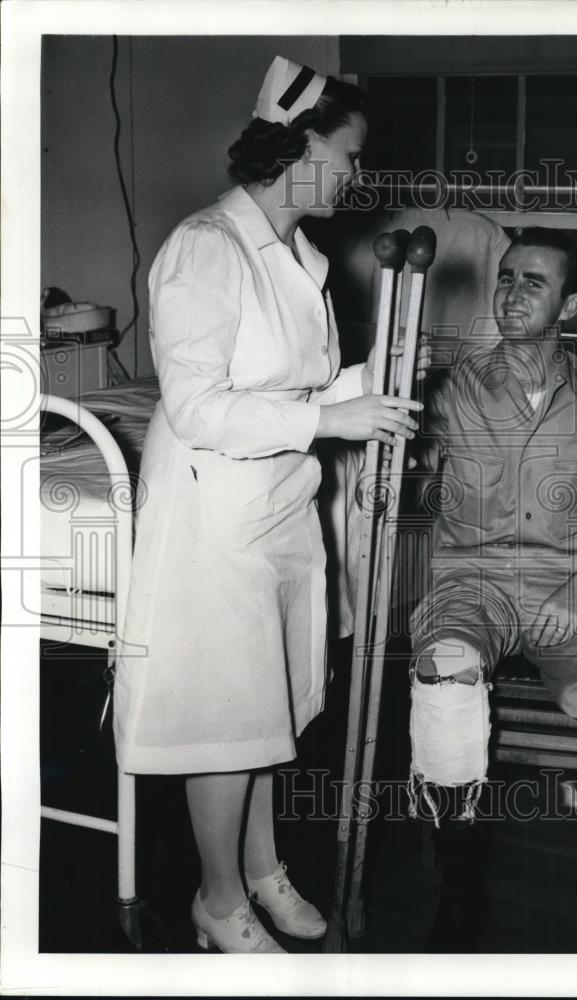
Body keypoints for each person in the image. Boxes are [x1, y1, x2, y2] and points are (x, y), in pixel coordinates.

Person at [113, 56, 424, 954]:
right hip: (215, 511)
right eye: (353, 153)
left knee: (269, 713)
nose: (361, 174)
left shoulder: (302, 256)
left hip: (282, 502)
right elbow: (200, 406)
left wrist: (379, 383)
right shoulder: (205, 248)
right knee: (225, 720)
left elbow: (307, 382)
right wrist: (331, 414)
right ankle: (216, 899)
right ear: (301, 145)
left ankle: (259, 870)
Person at [407, 227, 577, 952]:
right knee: (446, 671)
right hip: (471, 581)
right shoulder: (451, 388)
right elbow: (404, 492)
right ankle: (459, 885)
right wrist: (396, 441)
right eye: (506, 276)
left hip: (572, 587)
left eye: (534, 282)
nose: (511, 292)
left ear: (572, 304)